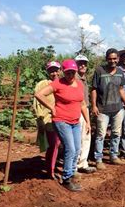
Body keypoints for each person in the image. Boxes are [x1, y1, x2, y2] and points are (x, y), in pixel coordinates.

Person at [35, 59, 91, 191]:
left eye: (72, 72)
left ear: (76, 72)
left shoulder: (79, 84)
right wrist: (51, 107)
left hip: (75, 122)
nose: (70, 75)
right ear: (63, 72)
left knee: (77, 148)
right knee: (70, 148)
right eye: (68, 73)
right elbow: (39, 94)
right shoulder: (58, 83)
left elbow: (82, 104)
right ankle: (66, 178)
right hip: (61, 121)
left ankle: (70, 173)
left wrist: (88, 121)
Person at [91, 48, 125, 169]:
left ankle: (114, 156)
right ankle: (98, 159)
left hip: (118, 108)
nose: (112, 61)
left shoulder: (120, 71)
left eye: (114, 58)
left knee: (116, 133)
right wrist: (93, 105)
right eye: (110, 59)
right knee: (101, 134)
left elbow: (121, 89)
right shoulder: (99, 71)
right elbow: (94, 89)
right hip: (103, 109)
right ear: (106, 59)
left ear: (118, 59)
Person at [33, 61, 61, 180]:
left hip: (63, 118)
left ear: (60, 71)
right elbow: (36, 104)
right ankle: (50, 171)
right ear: (47, 72)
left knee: (61, 145)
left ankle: (56, 167)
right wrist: (40, 120)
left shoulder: (63, 83)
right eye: (51, 71)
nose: (54, 73)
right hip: (48, 119)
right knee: (53, 144)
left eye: (56, 70)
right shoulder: (42, 84)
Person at [74, 54, 97, 175]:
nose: (82, 65)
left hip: (85, 109)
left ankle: (83, 163)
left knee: (86, 136)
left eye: (84, 63)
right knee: (78, 138)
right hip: (77, 111)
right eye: (80, 63)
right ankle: (75, 165)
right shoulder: (74, 78)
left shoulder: (83, 78)